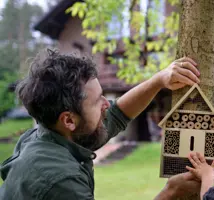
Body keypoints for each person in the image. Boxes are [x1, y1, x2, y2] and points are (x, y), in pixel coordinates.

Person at [0, 49, 201, 200]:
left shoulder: (51, 135)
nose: (107, 104)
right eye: (98, 102)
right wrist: (171, 193)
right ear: (69, 120)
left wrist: (159, 80)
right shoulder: (61, 180)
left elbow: (117, 113)